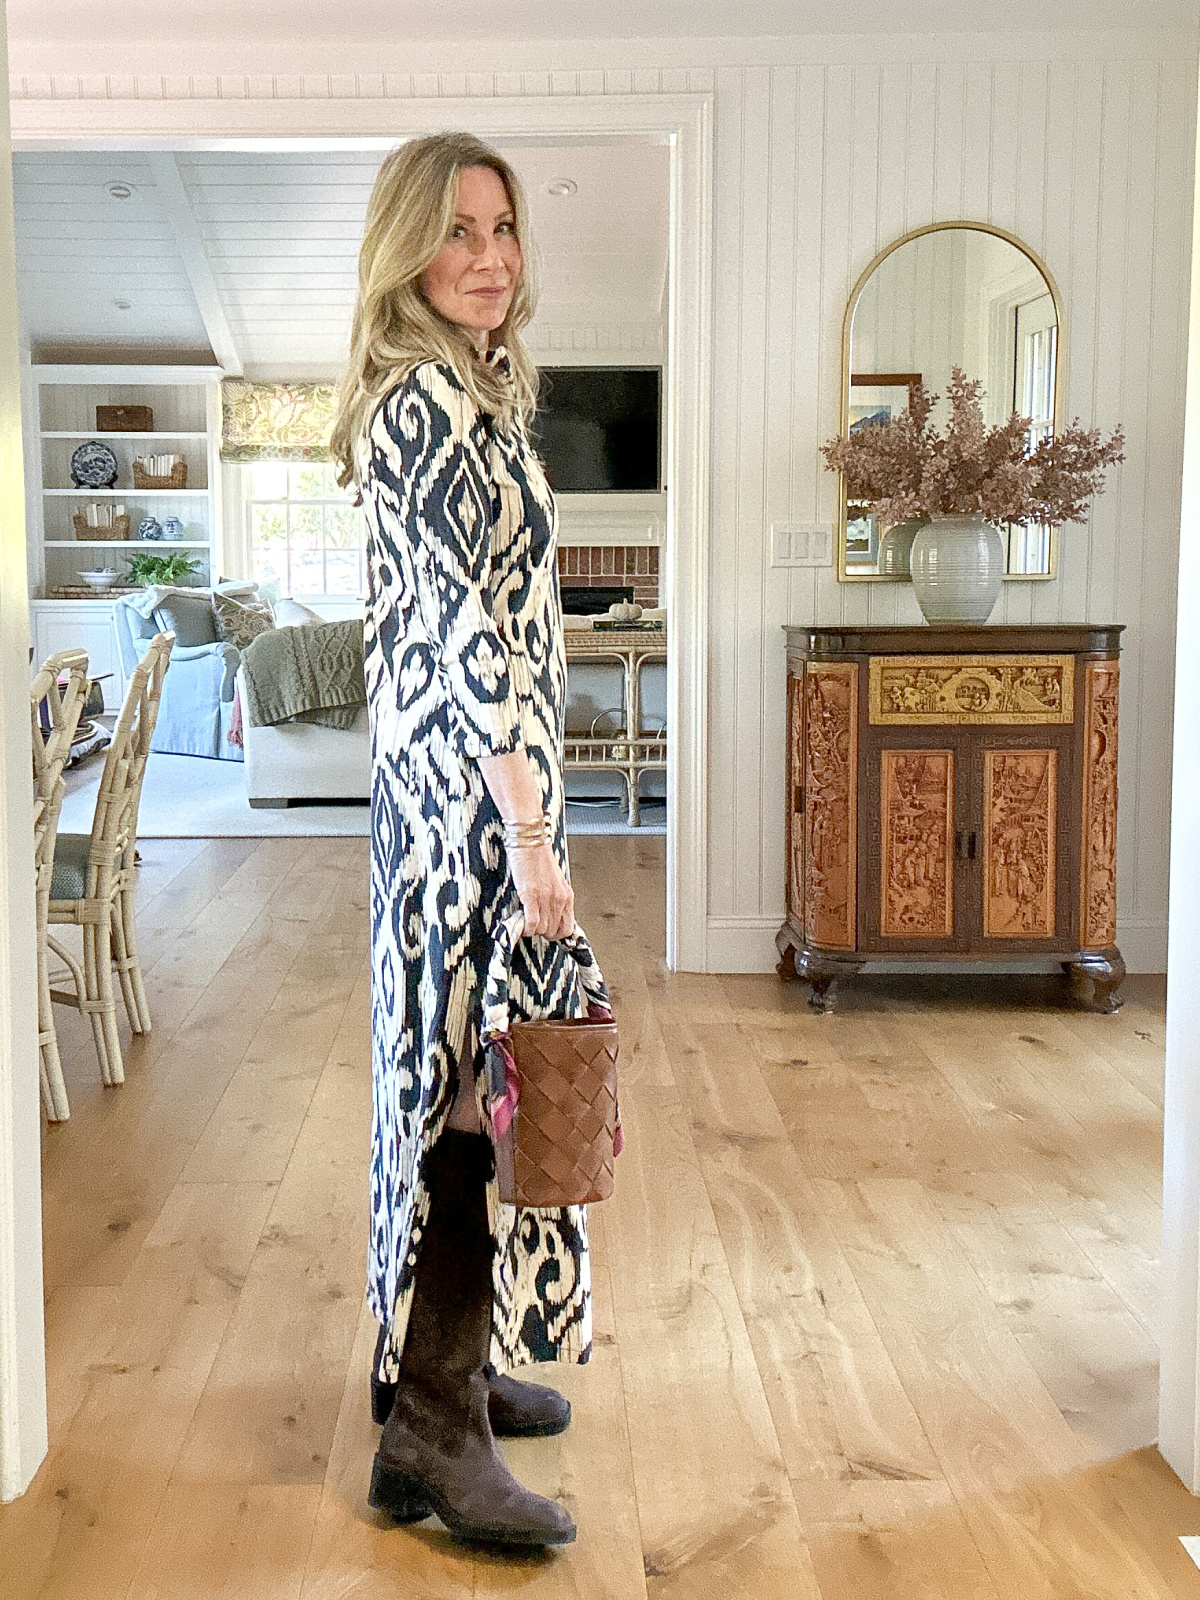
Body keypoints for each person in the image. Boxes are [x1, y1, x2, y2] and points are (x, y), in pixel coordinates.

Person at [330, 132, 587, 1550]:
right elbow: (465, 635)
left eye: (503, 227)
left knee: (473, 1078)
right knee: (461, 1093)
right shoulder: (421, 403)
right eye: (457, 231)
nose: (490, 256)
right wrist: (529, 825)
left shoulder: (473, 388)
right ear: (407, 251)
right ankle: (431, 1425)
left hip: (471, 790)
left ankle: (451, 1373)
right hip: (465, 806)